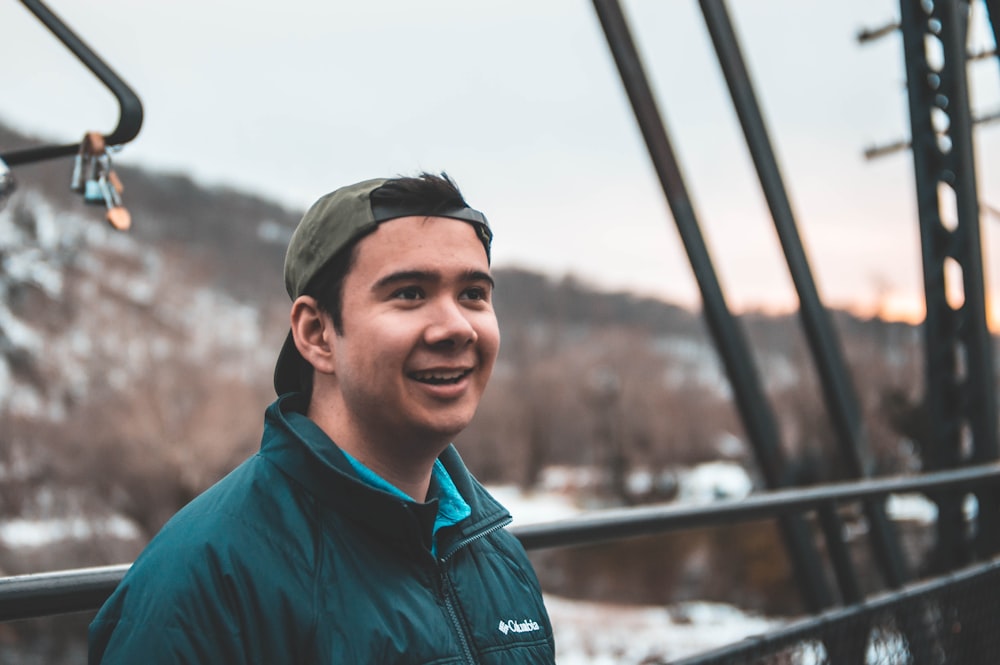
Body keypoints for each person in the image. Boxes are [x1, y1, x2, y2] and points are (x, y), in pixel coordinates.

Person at [89, 173, 555, 663]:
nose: (457, 327)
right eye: (410, 293)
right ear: (316, 333)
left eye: (473, 294)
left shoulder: (498, 557)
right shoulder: (204, 582)